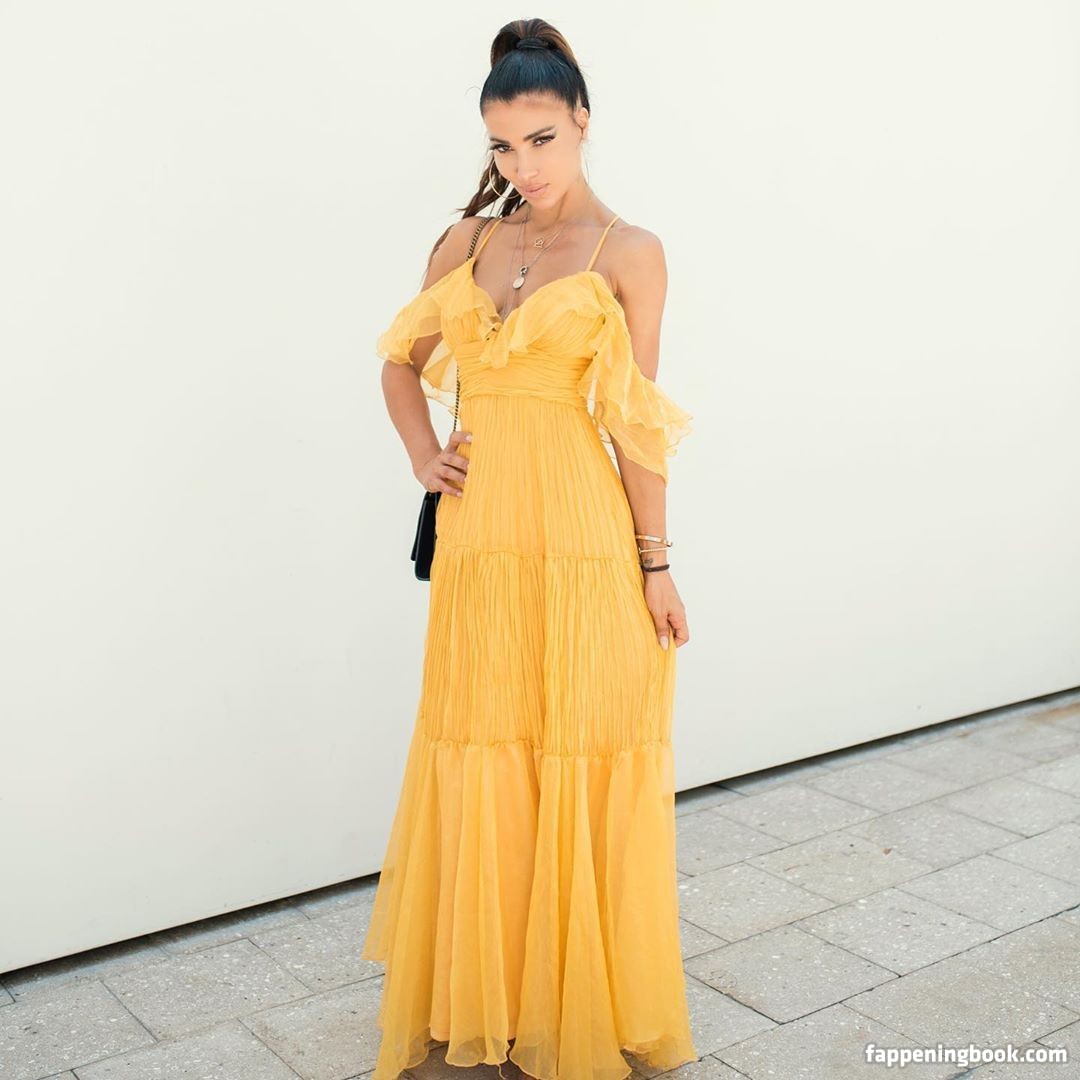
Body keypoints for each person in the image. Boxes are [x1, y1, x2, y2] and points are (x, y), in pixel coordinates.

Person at [362, 18, 697, 1080]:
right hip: (481, 542)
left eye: (543, 139)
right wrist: (424, 457)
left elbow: (635, 423)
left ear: (584, 121)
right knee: (484, 747)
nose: (525, 165)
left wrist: (656, 563)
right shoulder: (465, 243)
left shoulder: (630, 252)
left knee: (579, 747)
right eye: (504, 146)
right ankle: (489, 997)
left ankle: (572, 1000)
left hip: (585, 538)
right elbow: (400, 361)